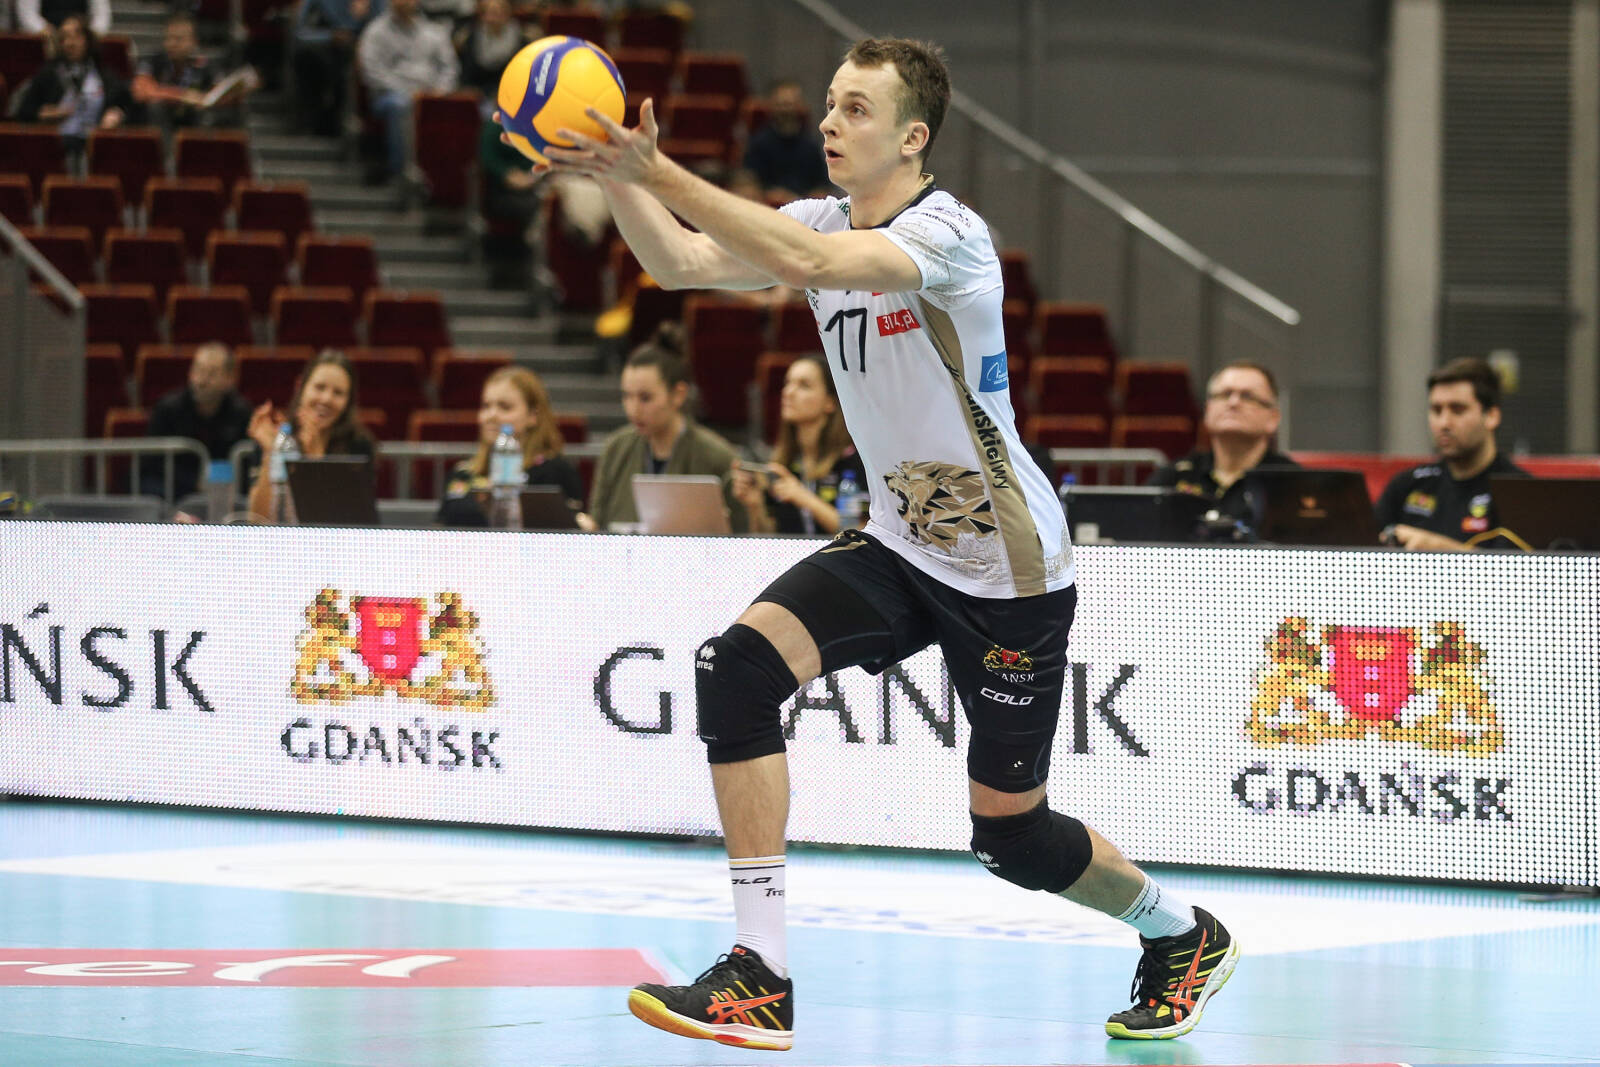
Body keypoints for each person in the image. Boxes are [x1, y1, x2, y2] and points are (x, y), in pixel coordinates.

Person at [534, 35, 1238, 1046]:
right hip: (901, 544)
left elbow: (813, 265)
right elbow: (678, 264)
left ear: (913, 138)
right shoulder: (818, 216)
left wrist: (658, 168)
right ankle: (760, 970)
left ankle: (1181, 932)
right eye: (829, 102)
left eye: (855, 108)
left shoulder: (948, 236)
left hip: (1006, 572)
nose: (829, 121)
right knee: (734, 671)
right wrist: (618, 176)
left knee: (1010, 836)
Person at [585, 324, 748, 533]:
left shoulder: (718, 457)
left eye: (645, 398)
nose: (633, 409)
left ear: (678, 394)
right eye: (627, 396)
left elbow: (744, 534)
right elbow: (597, 523)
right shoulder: (615, 448)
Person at [1374, 356, 1529, 551]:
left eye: (1458, 410)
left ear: (1491, 416)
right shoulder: (1406, 485)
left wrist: (1435, 548)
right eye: (1436, 410)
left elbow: (1518, 568)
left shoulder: (1521, 493)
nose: (1444, 423)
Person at [1146, 360, 1299, 536]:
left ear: (1273, 418)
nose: (1233, 403)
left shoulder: (1292, 482)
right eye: (1224, 395)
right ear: (1207, 410)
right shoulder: (1176, 475)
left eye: (1247, 396)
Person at [730, 354, 863, 536]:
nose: (788, 392)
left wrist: (802, 497)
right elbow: (769, 538)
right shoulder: (782, 463)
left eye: (804, 385)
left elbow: (861, 534)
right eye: (787, 383)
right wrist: (755, 505)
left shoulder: (854, 461)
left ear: (830, 402)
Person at [437, 365, 585, 526]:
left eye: (505, 407)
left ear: (533, 415)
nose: (491, 415)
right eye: (486, 406)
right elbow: (443, 523)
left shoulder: (555, 472)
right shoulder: (463, 473)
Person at [245, 350, 377, 521]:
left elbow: (351, 521)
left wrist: (315, 460)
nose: (326, 399)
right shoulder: (277, 437)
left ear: (348, 401)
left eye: (338, 393)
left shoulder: (359, 445)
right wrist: (269, 454)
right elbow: (256, 521)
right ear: (300, 387)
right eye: (319, 387)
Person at [356, 0, 459, 183]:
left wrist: (441, 91)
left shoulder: (435, 32)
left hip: (432, 95)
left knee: (467, 108)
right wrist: (408, 92)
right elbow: (372, 72)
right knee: (401, 104)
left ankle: (448, 178)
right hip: (389, 96)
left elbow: (450, 68)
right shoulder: (375, 32)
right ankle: (403, 172)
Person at [139, 342, 253, 504]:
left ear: (230, 379)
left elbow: (247, 465)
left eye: (212, 373)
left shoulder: (242, 412)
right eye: (198, 371)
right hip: (174, 491)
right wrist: (194, 482)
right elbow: (152, 461)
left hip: (224, 493)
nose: (201, 381)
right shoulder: (168, 408)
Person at [15, 15, 130, 159]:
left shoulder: (104, 74)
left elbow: (126, 104)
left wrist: (117, 114)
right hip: (54, 147)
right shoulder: (48, 74)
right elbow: (24, 112)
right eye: (64, 38)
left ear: (87, 40)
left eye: (76, 37)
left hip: (97, 146)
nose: (70, 43)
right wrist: (45, 114)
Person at [293, 0, 381, 136]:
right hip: (329, 48)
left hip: (369, 45)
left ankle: (349, 119)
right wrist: (330, 37)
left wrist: (366, 19)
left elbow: (387, 26)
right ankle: (317, 118)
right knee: (306, 57)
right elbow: (300, 33)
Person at [742, 79, 831, 198]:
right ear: (771, 105)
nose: (786, 110)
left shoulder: (811, 145)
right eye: (781, 104)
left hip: (805, 205)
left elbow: (822, 185)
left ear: (799, 105)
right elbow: (749, 184)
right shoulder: (758, 144)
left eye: (790, 104)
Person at [453, 0, 523, 98]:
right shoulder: (472, 38)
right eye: (489, 13)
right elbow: (467, 71)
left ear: (507, 14)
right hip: (478, 92)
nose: (493, 18)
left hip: (509, 92)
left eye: (497, 12)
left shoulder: (521, 39)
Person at [15, 0, 107, 35]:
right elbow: (27, 14)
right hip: (46, 39)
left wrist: (89, 35)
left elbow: (101, 15)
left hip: (81, 36)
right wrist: (44, 30)